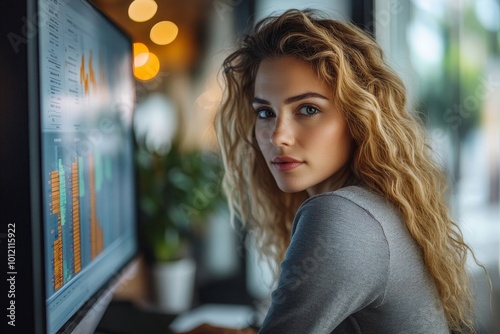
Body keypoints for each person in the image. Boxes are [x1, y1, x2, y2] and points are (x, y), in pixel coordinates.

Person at [182, 8, 479, 333]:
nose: (278, 135)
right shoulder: (368, 205)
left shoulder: (342, 216)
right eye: (265, 112)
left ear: (357, 119)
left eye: (307, 109)